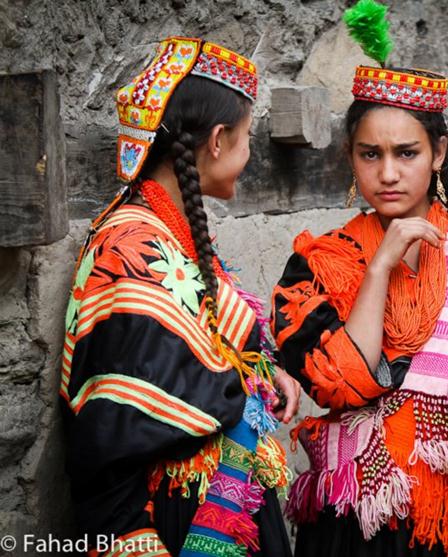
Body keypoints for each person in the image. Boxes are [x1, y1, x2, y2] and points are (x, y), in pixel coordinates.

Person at [270, 2, 448, 556]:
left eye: (406, 153)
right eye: (369, 154)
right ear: (349, 160)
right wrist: (380, 264)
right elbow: (341, 384)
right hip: (355, 523)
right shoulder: (318, 264)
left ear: (438, 153)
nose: (387, 173)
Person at [60, 36, 300, 557]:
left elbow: (203, 350)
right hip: (174, 516)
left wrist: (263, 370)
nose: (250, 151)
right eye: (247, 136)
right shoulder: (129, 249)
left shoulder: (169, 232)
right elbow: (119, 423)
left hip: (217, 495)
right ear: (216, 140)